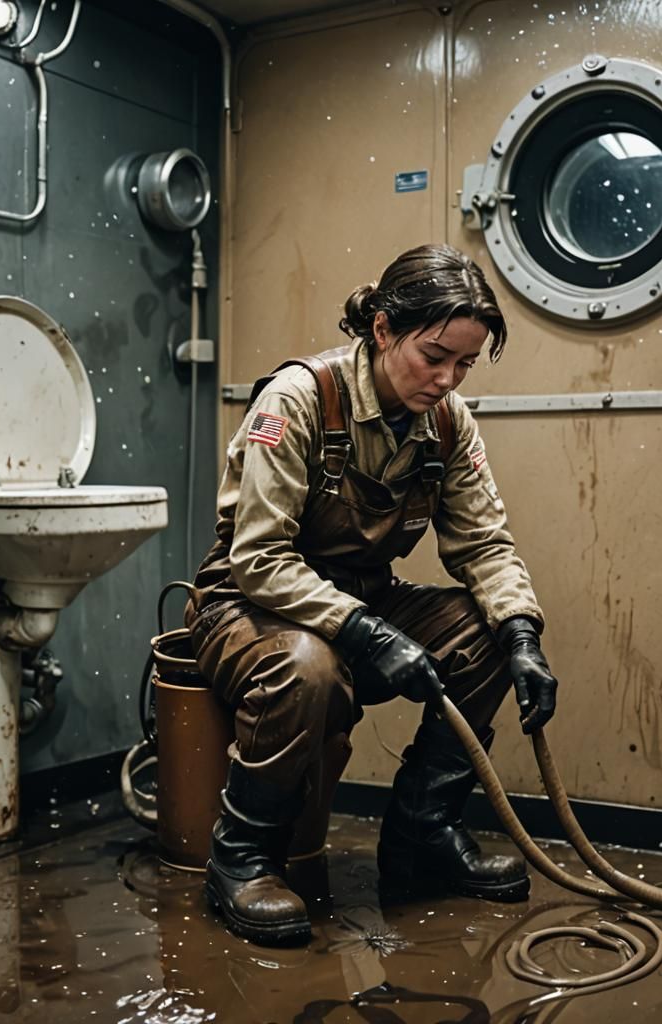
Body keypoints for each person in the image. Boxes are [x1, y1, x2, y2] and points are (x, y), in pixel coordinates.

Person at [184, 243, 559, 946]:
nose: (446, 379)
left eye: (465, 364)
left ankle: (423, 834)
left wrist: (522, 633)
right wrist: (363, 631)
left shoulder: (446, 422)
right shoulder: (298, 399)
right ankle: (242, 858)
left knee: (483, 634)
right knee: (308, 666)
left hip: (363, 599)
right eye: (434, 356)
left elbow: (482, 543)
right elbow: (259, 558)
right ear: (383, 329)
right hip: (247, 605)